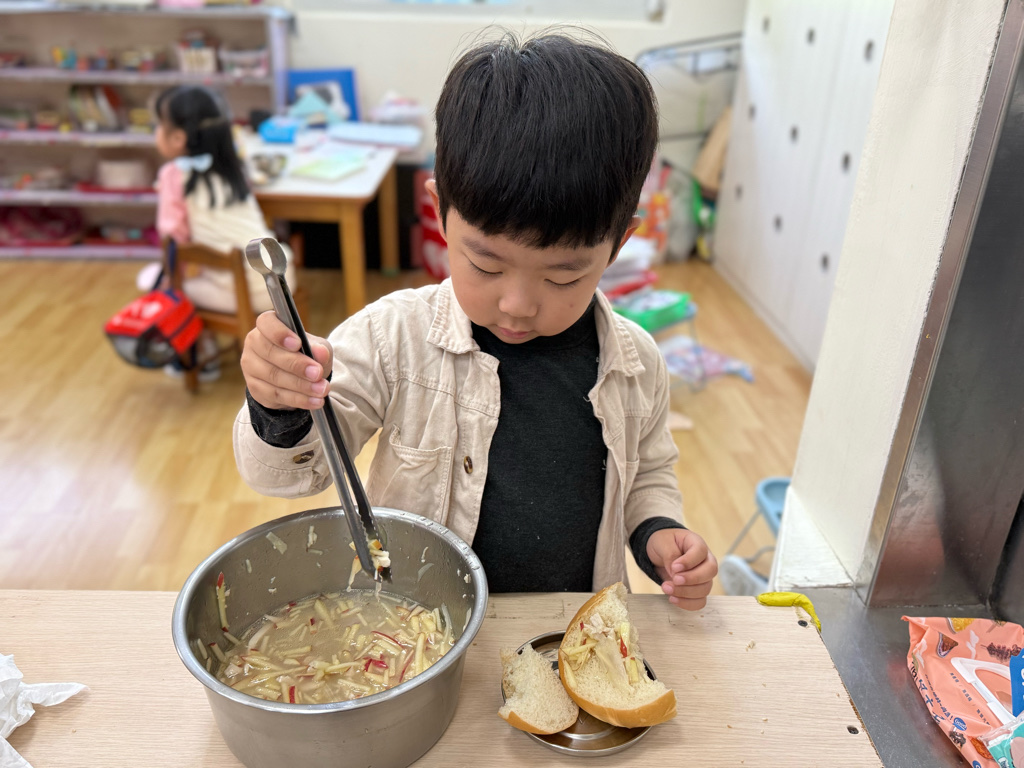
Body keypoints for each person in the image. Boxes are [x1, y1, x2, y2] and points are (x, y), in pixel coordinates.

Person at [232, 32, 718, 609]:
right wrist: (280, 406)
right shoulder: (393, 336)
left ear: (618, 245)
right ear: (441, 212)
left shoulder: (637, 365)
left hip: (570, 628)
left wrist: (659, 532)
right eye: (486, 264)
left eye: (563, 276)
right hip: (421, 626)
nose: (517, 304)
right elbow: (293, 474)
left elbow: (650, 472)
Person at [141, 84, 296, 379]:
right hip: (280, 279)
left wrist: (171, 280)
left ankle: (203, 356)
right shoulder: (233, 167)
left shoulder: (173, 176)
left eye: (158, 125)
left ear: (178, 138)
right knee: (198, 273)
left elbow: (173, 241)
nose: (156, 132)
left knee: (163, 284)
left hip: (242, 291)